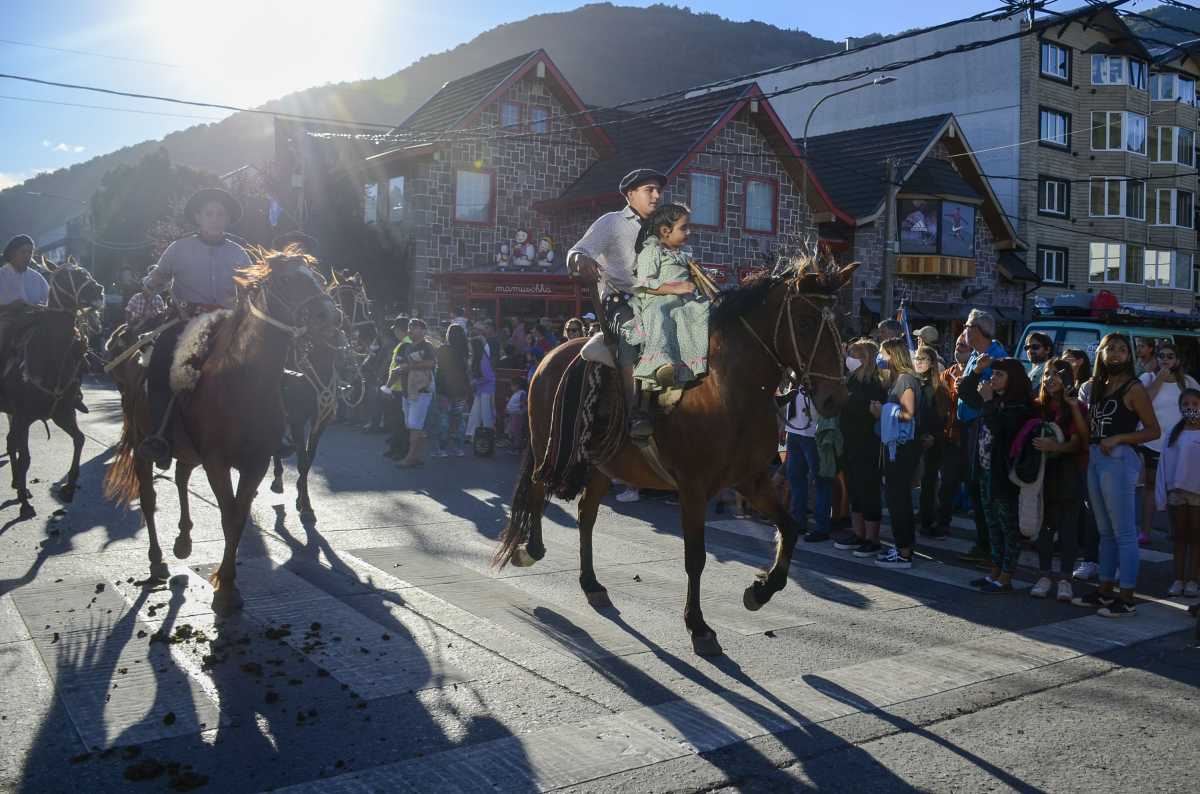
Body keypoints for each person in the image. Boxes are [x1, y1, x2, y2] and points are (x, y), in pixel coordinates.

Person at [136, 188, 251, 465]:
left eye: (221, 214)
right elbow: (157, 277)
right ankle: (159, 436)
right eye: (209, 213)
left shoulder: (239, 254)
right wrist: (152, 283)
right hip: (184, 322)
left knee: (262, 362)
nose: (215, 219)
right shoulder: (178, 249)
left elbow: (251, 291)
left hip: (226, 325)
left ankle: (267, 431)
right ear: (198, 217)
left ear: (227, 220)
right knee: (160, 362)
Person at [568, 168, 666, 437]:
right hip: (618, 301)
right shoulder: (611, 222)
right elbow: (577, 250)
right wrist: (578, 260)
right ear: (630, 194)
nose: (656, 195)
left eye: (658, 190)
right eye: (649, 190)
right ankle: (635, 413)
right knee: (635, 335)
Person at [1073, 334, 1160, 617]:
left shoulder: (1134, 388)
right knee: (1105, 531)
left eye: (1122, 350)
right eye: (1110, 348)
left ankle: (1127, 597)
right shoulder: (1097, 386)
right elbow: (1089, 433)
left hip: (1120, 459)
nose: (1116, 354)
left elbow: (1153, 430)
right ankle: (1105, 591)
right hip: (1098, 456)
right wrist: (1075, 408)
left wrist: (1120, 438)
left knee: (1123, 532)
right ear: (1100, 353)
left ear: (1129, 356)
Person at [959, 358, 1034, 592]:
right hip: (984, 471)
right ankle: (994, 571)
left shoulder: (1020, 406)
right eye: (993, 374)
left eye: (999, 375)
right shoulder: (994, 400)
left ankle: (1006, 576)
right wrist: (977, 372)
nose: (993, 378)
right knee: (991, 524)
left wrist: (989, 401)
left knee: (1007, 527)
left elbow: (999, 428)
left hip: (1004, 475)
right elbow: (965, 392)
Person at [626, 204, 709, 403]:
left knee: (701, 311)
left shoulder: (684, 255)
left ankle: (692, 365)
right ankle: (662, 365)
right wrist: (675, 288)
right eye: (684, 228)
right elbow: (644, 284)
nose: (689, 232)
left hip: (684, 301)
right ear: (665, 231)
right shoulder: (652, 251)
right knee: (660, 315)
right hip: (657, 299)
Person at [1030, 359, 1089, 602]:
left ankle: (1065, 579)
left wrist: (1056, 446)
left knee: (1068, 528)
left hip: (1069, 472)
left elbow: (1081, 441)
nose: (1050, 378)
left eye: (1057, 374)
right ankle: (1044, 576)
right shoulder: (1036, 406)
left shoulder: (1078, 406)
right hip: (1042, 474)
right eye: (1047, 374)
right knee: (1044, 526)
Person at [955, 308, 1007, 566]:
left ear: (978, 330)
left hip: (983, 426)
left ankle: (989, 546)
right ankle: (983, 542)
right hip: (968, 425)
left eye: (967, 325)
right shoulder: (975, 355)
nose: (963, 329)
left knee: (982, 489)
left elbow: (983, 395)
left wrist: (966, 386)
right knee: (973, 486)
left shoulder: (996, 357)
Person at [1137, 341, 1198, 546]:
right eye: (1162, 356)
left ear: (1177, 360)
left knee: (1175, 487)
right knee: (1151, 487)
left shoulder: (1188, 382)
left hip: (1177, 443)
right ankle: (1145, 531)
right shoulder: (1149, 377)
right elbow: (1141, 402)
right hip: (1151, 441)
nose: (1165, 360)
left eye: (1170, 356)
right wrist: (1159, 380)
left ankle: (1175, 531)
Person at [870, 339, 922, 569]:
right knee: (896, 499)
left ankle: (903, 553)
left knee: (898, 499)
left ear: (893, 355)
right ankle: (904, 546)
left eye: (882, 354)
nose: (880, 359)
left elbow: (909, 414)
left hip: (901, 450)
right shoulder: (898, 380)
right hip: (896, 449)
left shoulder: (906, 379)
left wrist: (883, 412)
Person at [838, 339, 888, 556]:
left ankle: (872, 538)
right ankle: (858, 534)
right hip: (849, 442)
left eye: (854, 354)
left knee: (869, 490)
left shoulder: (875, 383)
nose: (849, 358)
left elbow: (872, 413)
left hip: (868, 443)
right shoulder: (850, 381)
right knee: (854, 489)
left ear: (865, 358)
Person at [1157, 388, 1200, 597]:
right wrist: (1162, 495)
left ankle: (1193, 579)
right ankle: (1178, 579)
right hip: (1177, 492)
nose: (1190, 408)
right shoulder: (1173, 434)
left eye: (1195, 404)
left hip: (1198, 494)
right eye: (1186, 405)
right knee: (1179, 536)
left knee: (1196, 537)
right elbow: (1164, 466)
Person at [1065, 347, 1101, 582]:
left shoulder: (1130, 387)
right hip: (1085, 455)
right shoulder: (1087, 388)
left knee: (1106, 514)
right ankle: (1089, 559)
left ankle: (1108, 561)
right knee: (1089, 511)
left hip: (1110, 456)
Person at [783, 380, 833, 543]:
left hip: (813, 435)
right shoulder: (793, 374)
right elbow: (790, 399)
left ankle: (822, 526)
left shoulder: (817, 373)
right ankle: (798, 521)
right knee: (795, 477)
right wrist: (784, 427)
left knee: (820, 481)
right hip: (794, 431)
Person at [934, 333, 971, 536]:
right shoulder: (946, 374)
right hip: (950, 437)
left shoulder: (976, 373)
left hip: (971, 437)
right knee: (947, 483)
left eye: (964, 345)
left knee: (972, 485)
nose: (959, 348)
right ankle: (942, 522)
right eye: (957, 345)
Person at [914, 345, 953, 537]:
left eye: (923, 359)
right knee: (921, 480)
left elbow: (940, 416)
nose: (919, 362)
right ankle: (923, 513)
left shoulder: (938, 387)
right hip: (917, 437)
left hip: (933, 439)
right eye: (917, 358)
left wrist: (931, 435)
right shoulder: (915, 383)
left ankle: (928, 520)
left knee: (929, 480)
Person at [390, 318, 437, 468]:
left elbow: (431, 363)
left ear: (423, 331)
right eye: (410, 327)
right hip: (407, 390)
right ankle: (416, 456)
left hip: (420, 390)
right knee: (413, 425)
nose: (410, 330)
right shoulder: (408, 347)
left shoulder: (427, 346)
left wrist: (409, 366)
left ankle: (410, 458)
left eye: (414, 327)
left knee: (415, 425)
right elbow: (401, 364)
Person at [0, 235, 51, 366]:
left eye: (30, 252)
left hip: (36, 321)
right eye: (23, 252)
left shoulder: (37, 278)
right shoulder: (2, 275)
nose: (27, 256)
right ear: (12, 253)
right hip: (6, 321)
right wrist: (10, 307)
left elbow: (49, 302)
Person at [433, 323, 470, 458]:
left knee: (443, 418)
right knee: (458, 419)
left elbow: (439, 368)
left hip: (444, 389)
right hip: (460, 390)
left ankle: (442, 449)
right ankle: (458, 448)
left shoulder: (443, 349)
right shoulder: (464, 351)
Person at [465, 333, 496, 444]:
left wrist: (475, 381)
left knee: (485, 414)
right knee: (476, 412)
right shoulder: (482, 357)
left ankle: (487, 435)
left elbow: (488, 377)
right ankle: (472, 434)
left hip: (486, 390)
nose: (469, 348)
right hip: (482, 390)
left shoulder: (482, 359)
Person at [505, 376, 529, 455]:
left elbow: (523, 404)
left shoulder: (522, 393)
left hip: (517, 416)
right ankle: (515, 447)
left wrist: (521, 411)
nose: (511, 387)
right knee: (513, 431)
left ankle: (517, 449)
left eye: (512, 385)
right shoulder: (516, 394)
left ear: (517, 386)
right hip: (513, 415)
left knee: (516, 432)